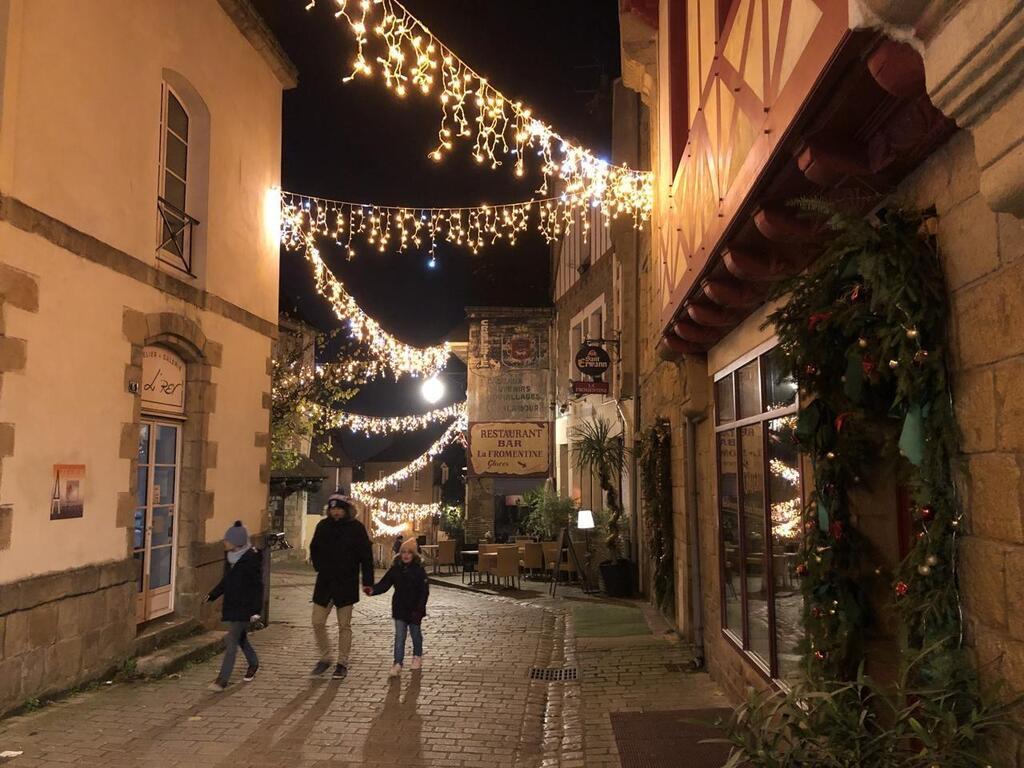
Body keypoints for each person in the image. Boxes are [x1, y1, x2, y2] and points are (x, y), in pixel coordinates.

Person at [309, 492, 373, 680]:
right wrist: (319, 566)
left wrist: (367, 582)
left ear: (346, 510)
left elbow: (366, 557)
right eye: (333, 509)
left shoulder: (357, 529)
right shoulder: (323, 526)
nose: (335, 512)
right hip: (325, 583)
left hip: (346, 583)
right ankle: (325, 657)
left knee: (344, 625)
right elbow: (315, 548)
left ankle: (342, 663)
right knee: (317, 621)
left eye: (339, 509)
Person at [204, 520, 263, 691]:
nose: (224, 542)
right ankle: (253, 662)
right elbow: (226, 581)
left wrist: (256, 610)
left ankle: (222, 679)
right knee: (240, 637)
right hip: (232, 603)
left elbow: (258, 586)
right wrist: (212, 595)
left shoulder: (251, 560)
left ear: (236, 541)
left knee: (231, 640)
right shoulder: (230, 557)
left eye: (227, 540)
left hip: (245, 606)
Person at [365, 537, 429, 678]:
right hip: (400, 608)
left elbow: (424, 592)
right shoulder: (396, 569)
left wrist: (419, 609)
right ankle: (397, 663)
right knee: (400, 636)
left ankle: (417, 655)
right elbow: (385, 584)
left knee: (415, 634)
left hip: (414, 609)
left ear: (414, 554)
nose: (406, 555)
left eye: (409, 552)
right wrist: (373, 590)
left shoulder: (419, 570)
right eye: (403, 552)